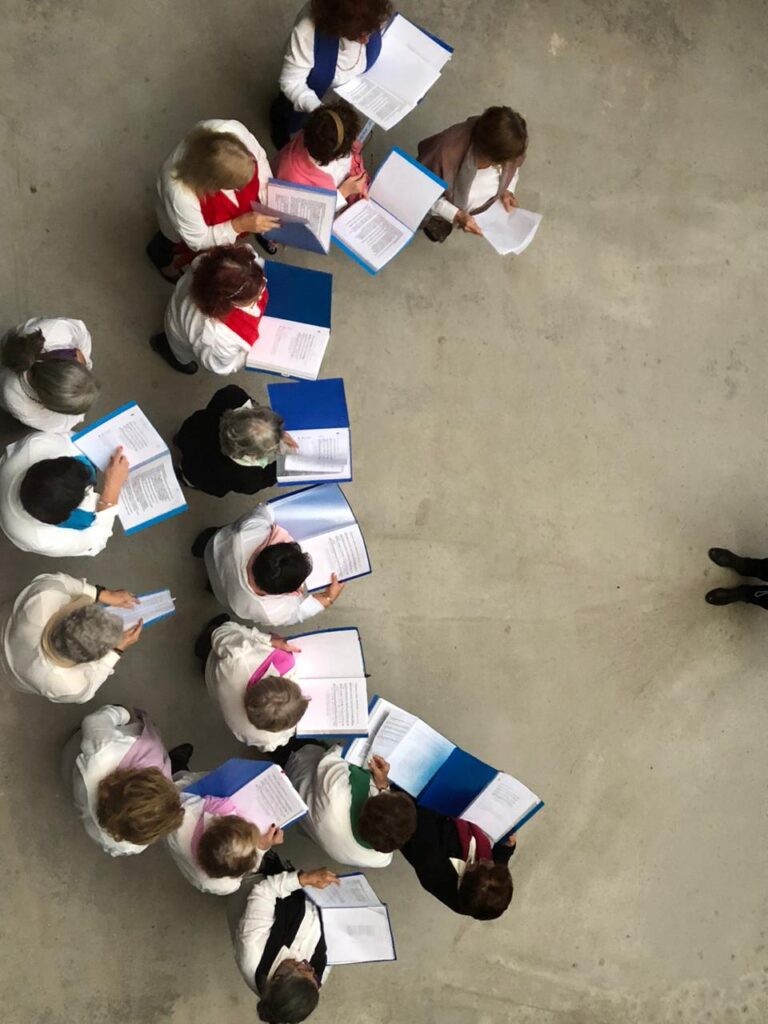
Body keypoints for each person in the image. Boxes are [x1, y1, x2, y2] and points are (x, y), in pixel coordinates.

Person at [147, 119, 280, 283]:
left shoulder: (231, 130)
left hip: (228, 211)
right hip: (181, 223)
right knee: (169, 240)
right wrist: (239, 225)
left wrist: (267, 200)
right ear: (212, 185)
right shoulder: (180, 194)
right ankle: (160, 257)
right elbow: (199, 240)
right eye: (236, 187)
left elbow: (260, 158)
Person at [63, 705, 187, 857]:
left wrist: (122, 714)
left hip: (75, 763)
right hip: (88, 812)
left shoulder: (104, 752)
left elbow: (93, 721)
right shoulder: (132, 847)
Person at [193, 502, 344, 627]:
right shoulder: (274, 612)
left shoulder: (248, 532)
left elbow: (265, 509)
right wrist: (328, 598)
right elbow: (298, 614)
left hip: (215, 551)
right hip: (228, 598)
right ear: (286, 592)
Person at [0, 573, 142, 703]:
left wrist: (102, 594)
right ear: (90, 659)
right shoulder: (67, 685)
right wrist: (116, 650)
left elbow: (59, 581)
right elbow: (89, 688)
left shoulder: (44, 596)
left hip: (6, 626)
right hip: (15, 674)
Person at [271, 0, 392, 148]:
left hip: (343, 92)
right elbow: (292, 82)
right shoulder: (307, 33)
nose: (367, 40)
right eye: (360, 35)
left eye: (371, 32)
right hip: (309, 94)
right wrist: (321, 111)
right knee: (287, 115)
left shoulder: (371, 16)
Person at [230, 864, 339, 1021]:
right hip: (311, 902)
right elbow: (331, 954)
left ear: (278, 978)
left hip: (261, 877)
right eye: (315, 977)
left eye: (302, 967)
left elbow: (265, 891)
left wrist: (304, 880)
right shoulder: (309, 984)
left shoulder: (253, 948)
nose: (311, 967)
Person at [150, 243, 270, 376]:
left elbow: (252, 260)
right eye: (253, 296)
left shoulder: (221, 267)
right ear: (224, 303)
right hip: (179, 332)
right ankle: (164, 347)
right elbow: (220, 366)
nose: (262, 290)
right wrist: (247, 356)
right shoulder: (217, 335)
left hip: (179, 305)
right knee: (179, 352)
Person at [0, 432, 128, 557]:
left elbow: (78, 439)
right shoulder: (41, 539)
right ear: (66, 516)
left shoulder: (37, 444)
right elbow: (96, 540)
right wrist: (112, 489)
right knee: (89, 519)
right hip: (22, 523)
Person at [284, 748, 416, 868]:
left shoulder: (336, 795)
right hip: (306, 823)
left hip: (298, 771)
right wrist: (382, 785)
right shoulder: (381, 860)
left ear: (366, 805)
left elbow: (332, 756)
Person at [165, 765, 286, 895]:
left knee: (182, 780)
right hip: (192, 871)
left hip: (178, 839)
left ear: (216, 822)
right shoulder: (224, 886)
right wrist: (261, 848)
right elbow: (250, 868)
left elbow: (216, 801)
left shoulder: (183, 813)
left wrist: (224, 808)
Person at [417, 106, 528, 243]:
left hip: (465, 205)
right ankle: (436, 221)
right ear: (489, 156)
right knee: (428, 214)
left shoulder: (514, 142)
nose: (508, 164)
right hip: (440, 203)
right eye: (502, 162)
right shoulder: (444, 152)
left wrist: (507, 190)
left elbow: (514, 167)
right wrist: (455, 214)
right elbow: (420, 190)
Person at [201, 616, 308, 751]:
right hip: (216, 692)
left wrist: (269, 640)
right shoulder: (267, 739)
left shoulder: (240, 655)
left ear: (270, 678)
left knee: (209, 648)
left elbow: (221, 632)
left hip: (214, 668)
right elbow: (277, 743)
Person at [174, 385, 297, 497]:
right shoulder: (246, 478)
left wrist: (273, 433)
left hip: (194, 431)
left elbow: (223, 396)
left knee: (186, 445)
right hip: (208, 476)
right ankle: (187, 479)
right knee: (195, 476)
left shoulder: (232, 397)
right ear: (254, 455)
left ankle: (179, 444)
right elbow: (268, 477)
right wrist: (286, 461)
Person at [0, 318, 99, 432]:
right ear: (44, 404)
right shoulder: (22, 404)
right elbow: (66, 423)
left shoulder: (56, 331)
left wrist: (84, 363)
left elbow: (81, 334)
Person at [275, 101, 369, 211]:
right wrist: (343, 192)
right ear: (338, 155)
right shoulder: (292, 178)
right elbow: (308, 213)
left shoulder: (316, 132)